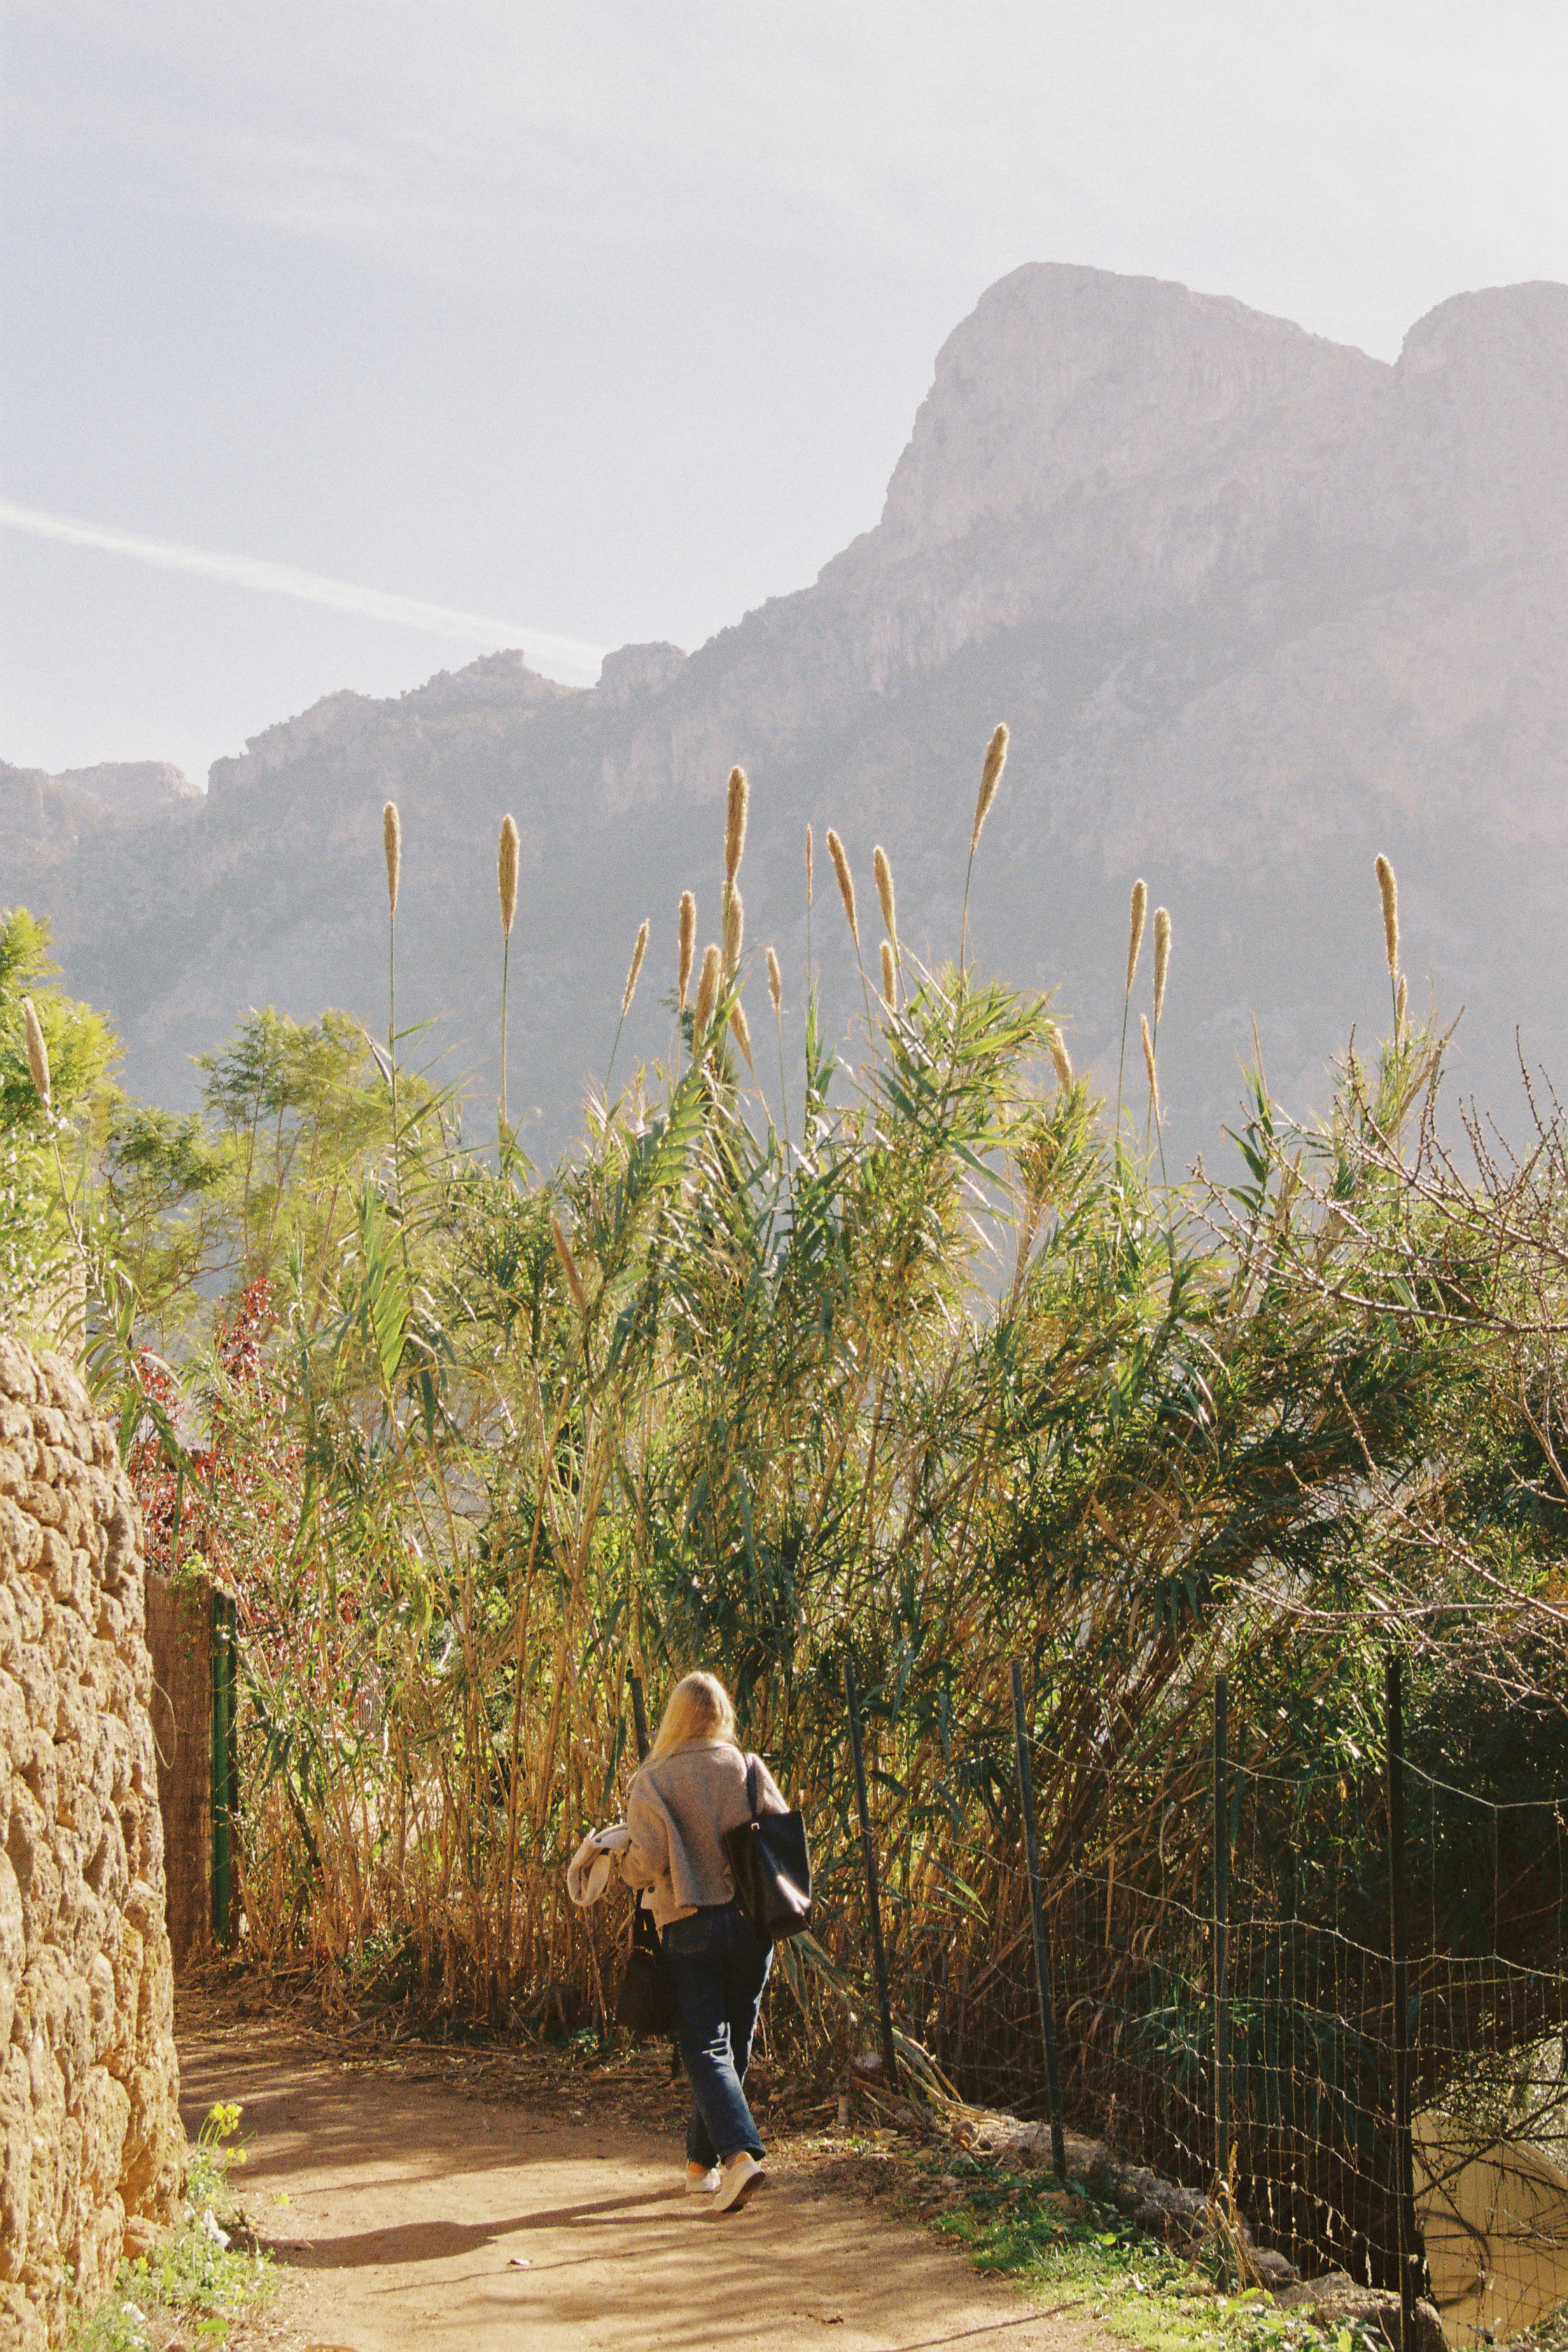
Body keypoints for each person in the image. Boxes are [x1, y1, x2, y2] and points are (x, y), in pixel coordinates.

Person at [620, 1670, 789, 2215]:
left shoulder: (653, 1780)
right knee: (735, 2041)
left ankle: (738, 2156)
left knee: (704, 2045)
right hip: (751, 1921)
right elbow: (782, 1832)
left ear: (675, 1715)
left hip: (689, 1921)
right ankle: (701, 2166)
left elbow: (645, 1863)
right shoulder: (745, 1767)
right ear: (722, 1714)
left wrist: (617, 1862)